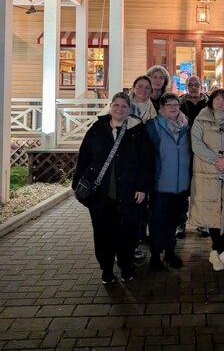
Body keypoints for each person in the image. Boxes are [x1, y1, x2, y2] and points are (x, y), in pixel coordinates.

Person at [72, 92, 154, 284]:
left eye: (124, 106)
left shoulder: (137, 130)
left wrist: (142, 187)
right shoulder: (97, 129)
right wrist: (77, 184)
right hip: (101, 194)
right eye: (116, 105)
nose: (120, 109)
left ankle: (126, 266)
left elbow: (146, 161)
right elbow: (84, 157)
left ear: (129, 109)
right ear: (110, 107)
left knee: (127, 233)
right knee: (102, 234)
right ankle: (106, 270)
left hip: (129, 193)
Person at [189, 89, 224, 272]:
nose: (221, 102)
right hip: (207, 173)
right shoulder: (200, 119)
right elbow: (196, 145)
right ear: (211, 101)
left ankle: (215, 252)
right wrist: (217, 161)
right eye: (218, 99)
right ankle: (222, 251)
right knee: (212, 211)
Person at [146, 92, 191, 271]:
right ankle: (156, 255)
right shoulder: (153, 125)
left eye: (176, 104)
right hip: (161, 184)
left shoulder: (186, 125)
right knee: (157, 221)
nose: (173, 107)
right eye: (169, 105)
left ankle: (170, 252)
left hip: (181, 185)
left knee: (173, 220)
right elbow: (146, 156)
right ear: (161, 108)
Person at [176, 76, 209, 239]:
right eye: (191, 85)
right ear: (186, 86)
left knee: (201, 189)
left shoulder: (209, 103)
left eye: (197, 84)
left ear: (201, 86)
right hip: (184, 150)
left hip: (204, 150)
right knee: (183, 189)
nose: (194, 87)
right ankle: (180, 223)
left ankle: (202, 223)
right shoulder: (179, 103)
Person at [128, 75, 157, 257]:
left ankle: (137, 241)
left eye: (147, 87)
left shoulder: (153, 111)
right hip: (124, 163)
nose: (143, 90)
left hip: (144, 162)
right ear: (133, 87)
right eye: (140, 86)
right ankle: (126, 243)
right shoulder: (123, 105)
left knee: (141, 204)